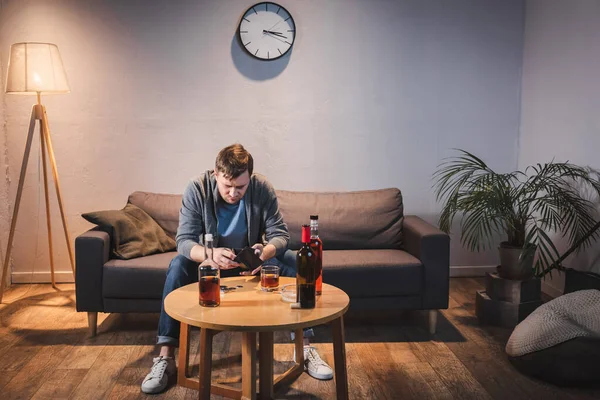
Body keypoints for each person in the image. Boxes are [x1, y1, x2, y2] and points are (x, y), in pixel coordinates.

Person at [141, 144, 333, 394]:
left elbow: (280, 235)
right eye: (227, 186)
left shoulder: (261, 187)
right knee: (177, 265)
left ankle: (304, 348)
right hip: (211, 262)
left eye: (240, 187)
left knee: (293, 260)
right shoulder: (196, 188)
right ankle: (165, 358)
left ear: (249, 179)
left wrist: (264, 252)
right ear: (215, 174)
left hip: (249, 262)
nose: (233, 193)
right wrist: (209, 254)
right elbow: (184, 241)